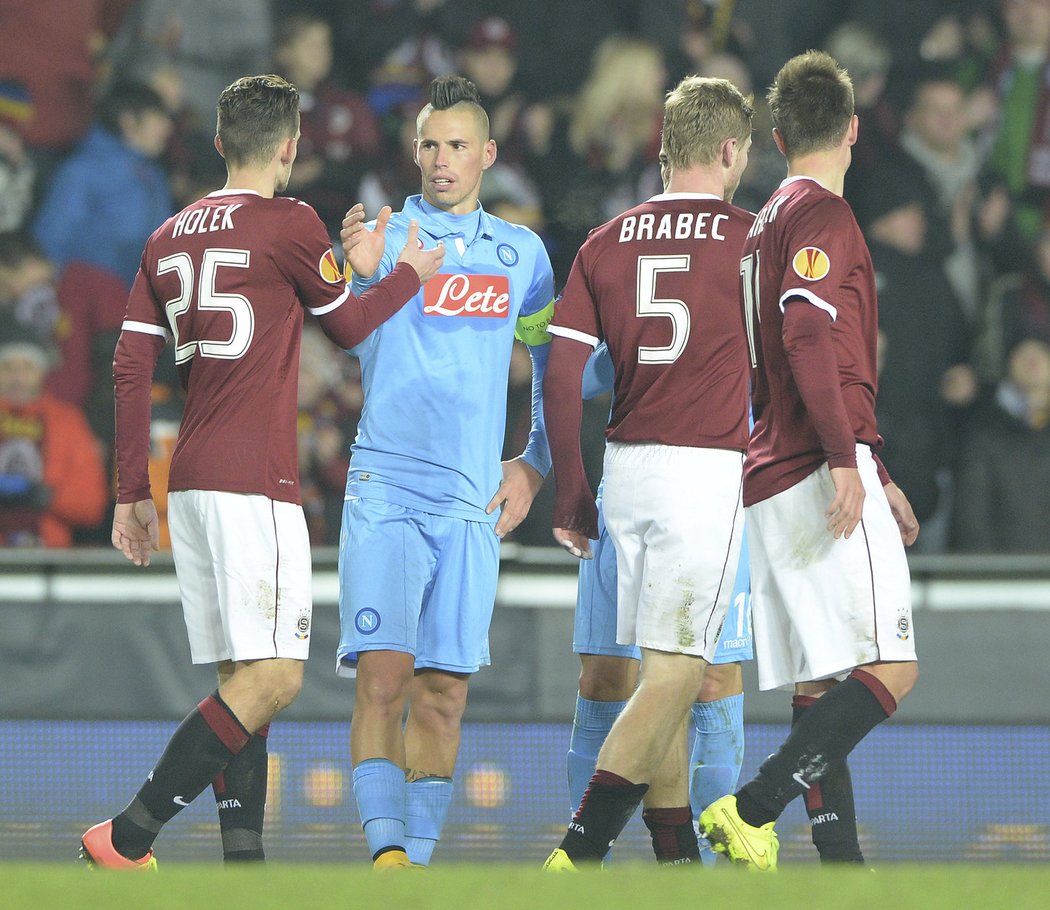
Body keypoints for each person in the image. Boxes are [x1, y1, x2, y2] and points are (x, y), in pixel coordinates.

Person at [78, 73, 444, 871]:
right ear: (289, 147)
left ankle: (244, 867)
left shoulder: (169, 233)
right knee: (275, 677)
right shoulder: (291, 221)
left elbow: (129, 365)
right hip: (256, 478)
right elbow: (348, 325)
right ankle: (128, 834)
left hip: (193, 476)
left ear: (218, 144)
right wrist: (402, 272)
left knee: (241, 675)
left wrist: (132, 491)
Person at [699, 51, 920, 872]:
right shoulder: (825, 216)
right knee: (893, 666)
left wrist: (876, 468)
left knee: (819, 687)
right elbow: (804, 334)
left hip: (769, 467)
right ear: (854, 128)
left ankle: (842, 872)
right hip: (812, 462)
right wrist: (846, 459)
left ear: (781, 134)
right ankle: (752, 807)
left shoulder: (761, 225)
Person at [336, 74, 555, 870]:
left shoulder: (524, 256)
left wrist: (532, 463)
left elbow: (550, 366)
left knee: (445, 695)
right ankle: (386, 860)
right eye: (429, 143)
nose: (440, 159)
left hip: (471, 502)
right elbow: (341, 338)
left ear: (488, 155)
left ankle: (416, 871)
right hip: (387, 487)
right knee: (385, 681)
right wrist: (362, 275)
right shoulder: (381, 240)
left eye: (458, 145)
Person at [540, 74, 755, 870]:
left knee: (656, 668)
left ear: (664, 149)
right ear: (729, 151)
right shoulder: (753, 240)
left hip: (624, 468)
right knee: (681, 673)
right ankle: (577, 854)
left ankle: (674, 860)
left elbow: (562, 377)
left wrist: (570, 489)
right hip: (705, 470)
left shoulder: (605, 240)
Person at [565, 342, 753, 867]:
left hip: (721, 480)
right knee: (606, 676)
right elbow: (574, 373)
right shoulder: (613, 257)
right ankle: (588, 868)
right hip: (630, 475)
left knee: (709, 678)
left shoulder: (748, 260)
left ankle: (704, 873)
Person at [30, 80, 174, 288]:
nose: (167, 127)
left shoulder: (154, 176)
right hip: (88, 302)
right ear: (129, 120)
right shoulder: (83, 171)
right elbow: (50, 241)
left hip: (138, 304)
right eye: (159, 118)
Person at [0, 325, 108, 548]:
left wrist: (46, 496)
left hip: (49, 556)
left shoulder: (67, 422)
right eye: (8, 367)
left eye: (27, 367)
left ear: (42, 372)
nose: (17, 377)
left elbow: (91, 504)